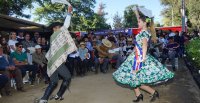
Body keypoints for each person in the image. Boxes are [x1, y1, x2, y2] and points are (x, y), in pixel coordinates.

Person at [113, 7, 174, 102]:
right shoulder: (142, 31)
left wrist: (142, 58)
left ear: (144, 23)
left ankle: (153, 92)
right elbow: (138, 44)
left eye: (139, 22)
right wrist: (136, 11)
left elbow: (145, 45)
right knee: (132, 78)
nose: (138, 23)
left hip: (140, 57)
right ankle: (139, 95)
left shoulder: (145, 32)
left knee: (136, 79)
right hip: (135, 56)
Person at [38, 5, 77, 103]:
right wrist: (69, 12)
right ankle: (58, 95)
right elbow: (66, 26)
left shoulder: (54, 37)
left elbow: (64, 45)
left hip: (51, 62)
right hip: (57, 61)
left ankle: (44, 99)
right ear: (55, 28)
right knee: (67, 77)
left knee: (54, 82)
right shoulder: (56, 35)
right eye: (59, 27)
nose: (62, 28)